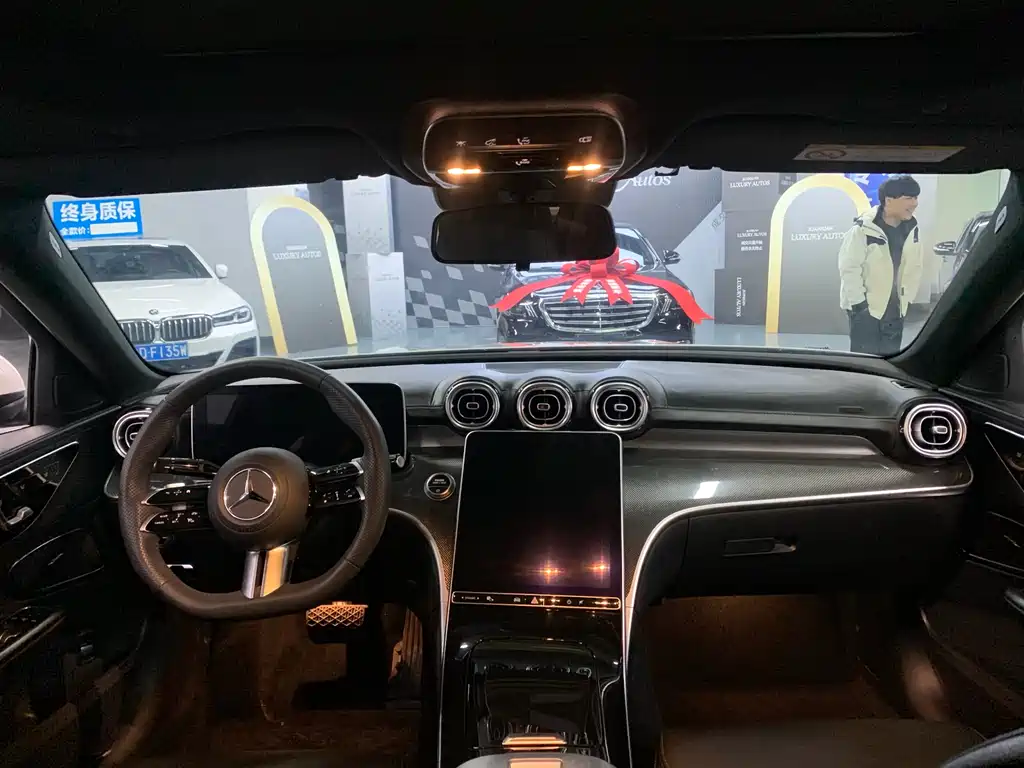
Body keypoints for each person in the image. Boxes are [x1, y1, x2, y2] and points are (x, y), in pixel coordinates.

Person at [838, 175, 924, 355]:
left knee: (889, 361)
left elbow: (915, 266)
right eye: (909, 198)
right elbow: (849, 268)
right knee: (864, 361)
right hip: (866, 309)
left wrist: (908, 298)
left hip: (896, 309)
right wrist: (860, 305)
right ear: (889, 200)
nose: (915, 203)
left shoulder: (912, 229)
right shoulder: (863, 229)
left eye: (916, 197)